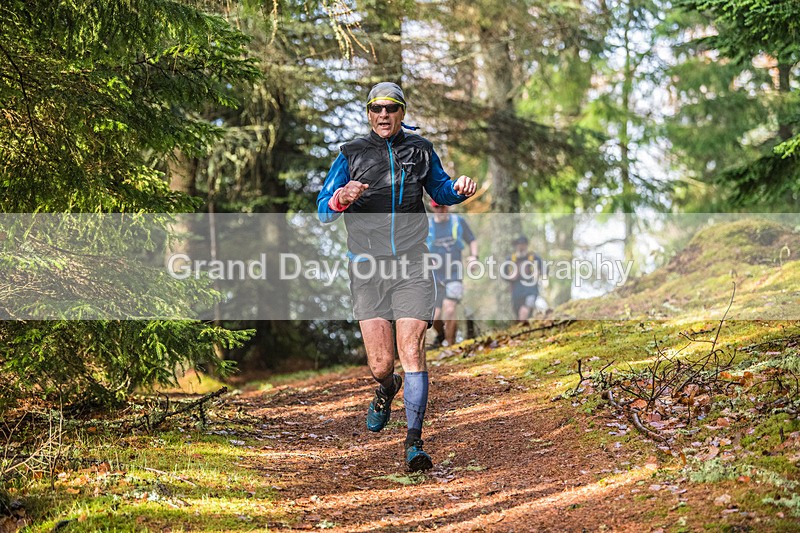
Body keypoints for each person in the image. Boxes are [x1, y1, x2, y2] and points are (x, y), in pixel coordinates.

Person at [316, 82, 477, 471]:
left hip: (413, 263)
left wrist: (457, 189)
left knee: (412, 350)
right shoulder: (350, 154)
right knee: (382, 364)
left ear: (402, 112)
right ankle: (386, 389)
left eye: (391, 108)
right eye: (376, 109)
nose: (383, 115)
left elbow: (440, 188)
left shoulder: (420, 151)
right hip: (367, 267)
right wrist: (341, 198)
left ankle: (413, 443)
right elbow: (323, 209)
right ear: (369, 113)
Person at [426, 200, 478, 347]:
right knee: (434, 317)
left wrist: (474, 257)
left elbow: (472, 240)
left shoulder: (458, 222)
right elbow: (419, 247)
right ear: (432, 207)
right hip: (434, 276)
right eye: (437, 207)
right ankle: (441, 335)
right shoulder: (428, 225)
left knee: (449, 309)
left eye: (443, 207)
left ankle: (450, 346)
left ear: (447, 206)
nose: (440, 210)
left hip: (454, 273)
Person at [507, 235, 545, 321]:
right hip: (516, 292)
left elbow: (544, 270)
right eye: (518, 244)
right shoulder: (510, 260)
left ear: (526, 245)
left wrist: (537, 273)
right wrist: (511, 276)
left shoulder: (534, 258)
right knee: (519, 314)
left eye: (523, 244)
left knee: (525, 310)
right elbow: (504, 275)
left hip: (531, 290)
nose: (521, 247)